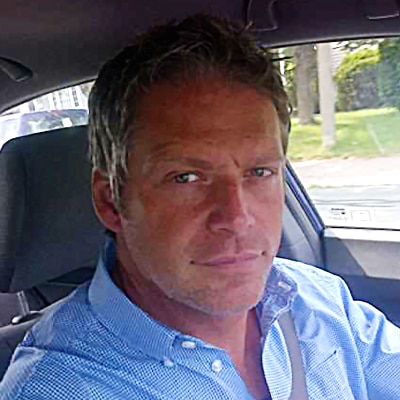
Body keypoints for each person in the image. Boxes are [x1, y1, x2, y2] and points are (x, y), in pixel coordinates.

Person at [1, 14, 400, 400]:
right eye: (186, 178)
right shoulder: (62, 387)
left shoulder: (317, 299)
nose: (237, 217)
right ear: (111, 201)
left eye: (259, 171)